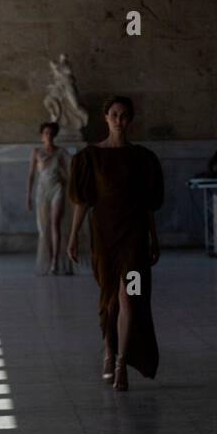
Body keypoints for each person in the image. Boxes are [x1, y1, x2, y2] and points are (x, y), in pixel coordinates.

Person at [67, 95, 164, 391]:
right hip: (104, 237)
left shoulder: (143, 158)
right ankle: (108, 351)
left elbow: (147, 204)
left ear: (130, 119)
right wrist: (73, 236)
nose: (119, 121)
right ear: (105, 118)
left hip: (134, 237)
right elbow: (83, 202)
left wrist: (154, 238)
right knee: (109, 300)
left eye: (124, 116)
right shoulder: (89, 158)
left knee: (128, 297)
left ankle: (121, 363)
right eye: (115, 115)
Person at [27, 121, 72, 275]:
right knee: (44, 227)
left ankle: (55, 261)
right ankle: (48, 258)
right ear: (42, 136)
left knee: (55, 224)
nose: (49, 135)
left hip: (57, 188)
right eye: (46, 133)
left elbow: (71, 170)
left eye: (51, 133)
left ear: (55, 135)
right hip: (42, 191)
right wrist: (28, 195)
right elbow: (31, 175)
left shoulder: (61, 152)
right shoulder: (36, 152)